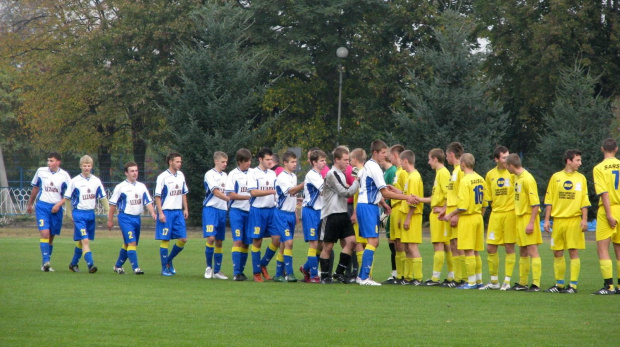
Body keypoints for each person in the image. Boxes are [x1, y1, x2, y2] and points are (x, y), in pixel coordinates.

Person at [357, 140, 416, 286]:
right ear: (375, 153)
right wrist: (407, 197)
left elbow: (373, 189)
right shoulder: (375, 168)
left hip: (367, 205)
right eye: (383, 152)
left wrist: (382, 203)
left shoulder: (369, 166)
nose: (385, 155)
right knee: (373, 241)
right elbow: (385, 192)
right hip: (368, 206)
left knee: (371, 242)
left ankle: (362, 276)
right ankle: (364, 277)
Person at [543, 149, 590, 294]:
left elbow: (584, 201)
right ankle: (559, 284)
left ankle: (573, 286)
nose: (580, 163)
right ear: (568, 161)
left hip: (573, 221)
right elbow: (549, 200)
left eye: (580, 160)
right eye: (577, 160)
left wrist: (584, 219)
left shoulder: (581, 178)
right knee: (557, 252)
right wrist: (546, 220)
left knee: (573, 251)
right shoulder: (556, 177)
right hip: (558, 221)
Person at [443, 153, 487, 289]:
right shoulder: (480, 179)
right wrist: (479, 215)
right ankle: (479, 281)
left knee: (468, 251)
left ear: (463, 164)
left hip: (467, 218)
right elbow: (485, 203)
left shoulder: (465, 181)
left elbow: (462, 206)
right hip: (478, 216)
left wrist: (450, 215)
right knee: (476, 251)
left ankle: (471, 282)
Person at [319, 146, 360, 284]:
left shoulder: (341, 174)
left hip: (342, 213)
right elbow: (345, 192)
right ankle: (325, 276)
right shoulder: (331, 174)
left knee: (352, 242)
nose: (348, 162)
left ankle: (338, 273)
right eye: (345, 160)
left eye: (348, 160)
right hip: (331, 214)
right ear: (336, 160)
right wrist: (356, 181)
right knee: (328, 247)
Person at [107, 162, 156, 275]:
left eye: (136, 171)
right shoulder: (120, 187)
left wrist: (153, 212)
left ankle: (118, 266)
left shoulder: (141, 186)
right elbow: (113, 205)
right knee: (132, 242)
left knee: (128, 244)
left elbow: (147, 201)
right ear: (126, 173)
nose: (134, 173)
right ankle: (136, 268)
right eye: (132, 171)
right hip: (125, 218)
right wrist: (110, 220)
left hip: (137, 218)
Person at [26, 152, 72, 272]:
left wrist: (58, 205)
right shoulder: (41, 171)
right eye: (48, 160)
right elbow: (35, 188)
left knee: (51, 237)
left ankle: (45, 264)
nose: (49, 163)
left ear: (58, 162)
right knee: (44, 233)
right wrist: (30, 203)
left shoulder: (64, 175)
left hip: (56, 209)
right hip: (42, 206)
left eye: (51, 161)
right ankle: (46, 261)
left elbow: (69, 195)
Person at [480, 146, 517, 290]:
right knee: (490, 248)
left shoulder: (513, 173)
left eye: (508, 156)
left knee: (509, 247)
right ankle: (494, 282)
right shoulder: (490, 175)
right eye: (503, 157)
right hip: (496, 214)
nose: (506, 160)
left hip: (510, 214)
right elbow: (487, 198)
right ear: (496, 159)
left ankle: (507, 281)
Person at [64, 155, 109, 273]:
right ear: (80, 166)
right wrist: (69, 213)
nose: (87, 168)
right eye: (84, 165)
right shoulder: (74, 181)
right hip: (79, 214)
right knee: (85, 240)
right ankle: (91, 265)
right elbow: (67, 198)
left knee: (81, 241)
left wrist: (108, 211)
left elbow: (103, 197)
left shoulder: (96, 181)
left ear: (92, 166)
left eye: (89, 166)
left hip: (90, 214)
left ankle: (73, 264)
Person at [415, 148, 453, 286]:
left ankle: (435, 278)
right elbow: (435, 197)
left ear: (435, 159)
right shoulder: (439, 173)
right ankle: (451, 276)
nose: (428, 162)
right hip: (438, 213)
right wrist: (419, 199)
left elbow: (450, 194)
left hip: (439, 215)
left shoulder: (443, 173)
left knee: (439, 244)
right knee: (446, 245)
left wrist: (444, 208)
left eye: (430, 159)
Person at [506, 153, 543, 292]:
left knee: (532, 250)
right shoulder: (516, 177)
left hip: (528, 217)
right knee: (522, 250)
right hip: (519, 217)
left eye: (507, 166)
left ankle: (536, 284)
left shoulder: (527, 179)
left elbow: (535, 204)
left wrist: (531, 223)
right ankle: (522, 283)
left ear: (511, 166)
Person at [592, 138, 620, 295]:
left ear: (602, 149)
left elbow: (604, 193)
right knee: (619, 247)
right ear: (616, 149)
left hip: (608, 209)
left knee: (602, 247)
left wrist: (609, 214)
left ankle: (608, 286)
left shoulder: (599, 168)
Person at [154, 152, 189, 276]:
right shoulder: (163, 177)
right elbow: (157, 196)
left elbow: (183, 192)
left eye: (180, 161)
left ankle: (168, 261)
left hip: (178, 212)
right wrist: (161, 213)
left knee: (183, 238)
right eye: (177, 161)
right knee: (165, 240)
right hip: (166, 212)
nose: (179, 164)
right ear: (170, 162)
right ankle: (164, 268)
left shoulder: (181, 175)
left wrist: (185, 208)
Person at [248, 147, 279, 282]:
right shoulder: (253, 173)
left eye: (271, 159)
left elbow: (276, 192)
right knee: (257, 241)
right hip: (258, 211)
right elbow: (253, 192)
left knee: (277, 239)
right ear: (260, 159)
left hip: (271, 211)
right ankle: (256, 273)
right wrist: (270, 192)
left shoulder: (272, 174)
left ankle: (263, 265)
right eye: (267, 159)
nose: (270, 162)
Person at [272, 151, 304, 282]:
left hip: (290, 214)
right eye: (292, 162)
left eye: (296, 162)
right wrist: (304, 183)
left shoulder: (293, 176)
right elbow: (291, 191)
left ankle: (279, 274)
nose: (294, 164)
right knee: (289, 242)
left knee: (284, 244)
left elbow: (293, 196)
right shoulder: (282, 177)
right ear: (285, 163)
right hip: (281, 214)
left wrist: (296, 212)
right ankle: (289, 274)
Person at [439, 142, 466, 287]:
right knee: (453, 244)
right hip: (450, 212)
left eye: (446, 154)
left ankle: (462, 278)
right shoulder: (454, 171)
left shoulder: (460, 171)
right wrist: (445, 209)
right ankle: (457, 278)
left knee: (458, 244)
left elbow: (462, 195)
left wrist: (456, 214)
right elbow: (452, 194)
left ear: (451, 154)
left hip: (456, 214)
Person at [396, 150, 424, 285]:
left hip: (413, 217)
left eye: (401, 161)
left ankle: (418, 278)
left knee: (412, 247)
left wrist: (407, 218)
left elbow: (413, 201)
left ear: (405, 161)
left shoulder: (413, 177)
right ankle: (407, 277)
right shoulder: (409, 176)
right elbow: (407, 195)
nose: (400, 164)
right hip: (407, 215)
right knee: (407, 247)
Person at [299, 149, 327, 283]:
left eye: (325, 160)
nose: (324, 163)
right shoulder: (312, 175)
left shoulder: (319, 175)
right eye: (322, 160)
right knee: (314, 243)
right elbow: (324, 189)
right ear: (314, 162)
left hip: (319, 212)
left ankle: (305, 268)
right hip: (310, 211)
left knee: (320, 244)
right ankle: (314, 275)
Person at [203, 151, 231, 280]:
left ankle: (217, 271)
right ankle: (209, 267)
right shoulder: (210, 174)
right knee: (211, 238)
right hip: (211, 209)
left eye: (226, 162)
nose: (225, 164)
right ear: (216, 161)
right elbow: (215, 191)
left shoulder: (226, 175)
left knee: (219, 241)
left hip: (222, 210)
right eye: (223, 162)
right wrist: (227, 198)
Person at [226, 148, 253, 281]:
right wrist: (248, 197)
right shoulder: (232, 175)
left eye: (250, 160)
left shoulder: (253, 173)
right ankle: (236, 272)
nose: (248, 163)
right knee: (238, 240)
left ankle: (241, 271)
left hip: (250, 212)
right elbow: (231, 195)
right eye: (246, 161)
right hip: (236, 211)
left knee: (246, 243)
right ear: (239, 162)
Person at [384, 145, 408, 284]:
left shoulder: (403, 173)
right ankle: (398, 275)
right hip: (393, 210)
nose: (388, 157)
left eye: (390, 155)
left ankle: (402, 275)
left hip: (399, 210)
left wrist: (404, 214)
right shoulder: (398, 172)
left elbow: (407, 195)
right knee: (396, 243)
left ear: (396, 156)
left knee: (400, 244)